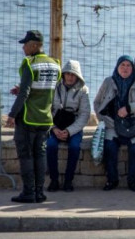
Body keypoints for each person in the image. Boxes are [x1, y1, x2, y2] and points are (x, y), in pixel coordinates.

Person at [7, 30, 61, 203]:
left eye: (25, 44)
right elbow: (47, 90)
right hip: (45, 118)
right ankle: (40, 192)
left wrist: (12, 115)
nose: (23, 47)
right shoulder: (55, 64)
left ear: (34, 45)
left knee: (26, 155)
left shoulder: (29, 64)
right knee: (40, 154)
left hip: (28, 118)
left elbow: (24, 94)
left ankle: (29, 192)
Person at [94, 55, 135, 192]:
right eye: (122, 65)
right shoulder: (108, 82)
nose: (125, 68)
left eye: (128, 65)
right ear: (117, 67)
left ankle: (133, 181)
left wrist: (129, 109)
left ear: (133, 68)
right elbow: (97, 103)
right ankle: (112, 179)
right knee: (110, 147)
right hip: (113, 124)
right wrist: (103, 119)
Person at [47, 60, 90, 193]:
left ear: (77, 76)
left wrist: (69, 131)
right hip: (56, 124)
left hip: (74, 126)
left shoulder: (83, 91)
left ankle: (68, 180)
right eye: (68, 74)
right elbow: (47, 110)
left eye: (73, 75)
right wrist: (53, 128)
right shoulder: (54, 87)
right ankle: (54, 180)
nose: (70, 77)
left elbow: (84, 115)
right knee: (50, 146)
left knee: (75, 147)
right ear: (63, 74)